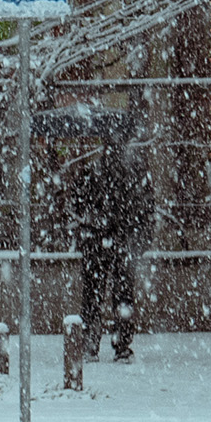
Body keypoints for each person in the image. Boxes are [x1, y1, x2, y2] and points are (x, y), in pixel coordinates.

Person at [71, 140, 153, 362]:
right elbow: (146, 211)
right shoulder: (134, 174)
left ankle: (91, 343)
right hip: (119, 243)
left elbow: (78, 206)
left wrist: (89, 224)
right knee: (121, 295)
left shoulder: (93, 172)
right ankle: (120, 346)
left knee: (94, 294)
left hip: (100, 242)